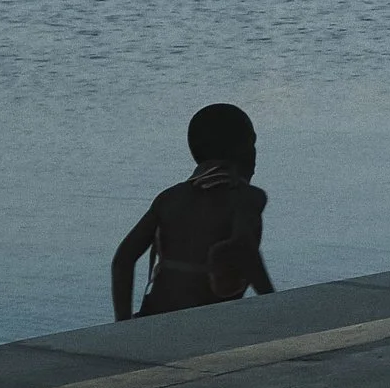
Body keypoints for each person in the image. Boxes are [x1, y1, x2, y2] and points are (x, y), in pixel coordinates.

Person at [110, 103, 273, 320]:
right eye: (253, 144)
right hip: (211, 323)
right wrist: (273, 305)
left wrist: (123, 325)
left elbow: (123, 260)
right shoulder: (248, 197)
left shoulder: (169, 198)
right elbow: (243, 249)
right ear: (244, 151)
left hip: (155, 317)